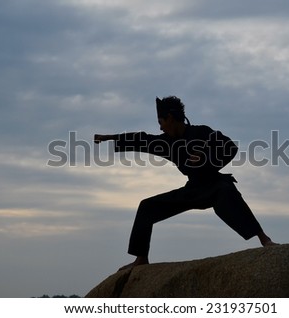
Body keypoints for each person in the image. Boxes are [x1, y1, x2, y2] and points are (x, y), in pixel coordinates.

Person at [94, 96, 276, 271]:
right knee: (146, 207)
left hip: (214, 185)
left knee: (228, 190)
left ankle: (264, 239)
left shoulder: (202, 132)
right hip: (193, 190)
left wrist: (207, 158)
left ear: (170, 118)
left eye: (161, 122)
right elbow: (142, 139)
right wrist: (110, 137)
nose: (160, 128)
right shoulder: (167, 143)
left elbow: (230, 147)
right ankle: (141, 258)